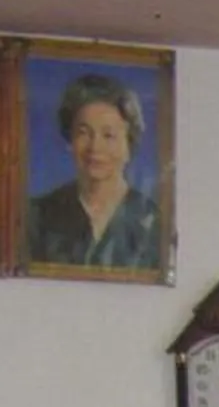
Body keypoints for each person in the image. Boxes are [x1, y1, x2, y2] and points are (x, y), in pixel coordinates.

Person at [25, 72, 162, 270]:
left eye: (109, 135)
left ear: (129, 146)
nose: (95, 147)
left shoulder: (154, 223)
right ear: (69, 141)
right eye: (84, 133)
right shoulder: (36, 217)